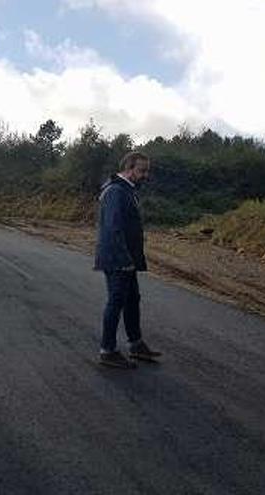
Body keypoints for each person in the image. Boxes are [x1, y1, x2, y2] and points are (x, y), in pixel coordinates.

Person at [94, 151, 162, 369]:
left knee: (132, 299)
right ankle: (108, 350)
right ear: (129, 168)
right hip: (117, 258)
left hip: (125, 257)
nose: (145, 175)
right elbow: (113, 228)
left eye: (147, 171)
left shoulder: (126, 190)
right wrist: (124, 259)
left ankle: (136, 344)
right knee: (116, 301)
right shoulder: (116, 191)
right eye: (142, 170)